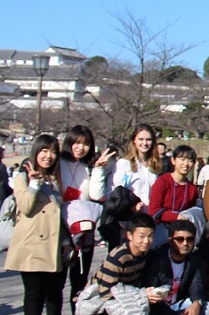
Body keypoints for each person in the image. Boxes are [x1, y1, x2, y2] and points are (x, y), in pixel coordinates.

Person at [6, 133, 70, 315]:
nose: (48, 156)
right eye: (44, 150)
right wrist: (34, 182)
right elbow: (25, 207)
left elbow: (58, 215)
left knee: (55, 295)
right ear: (35, 152)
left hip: (53, 246)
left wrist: (66, 243)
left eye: (53, 152)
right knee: (34, 295)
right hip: (32, 246)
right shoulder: (22, 178)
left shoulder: (54, 180)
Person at [59, 124, 114, 305]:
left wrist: (98, 170)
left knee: (79, 284)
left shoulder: (89, 167)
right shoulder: (58, 163)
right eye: (77, 142)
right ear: (69, 142)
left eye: (85, 144)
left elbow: (96, 196)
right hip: (61, 231)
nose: (80, 147)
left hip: (84, 233)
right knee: (56, 284)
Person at [93, 213, 160, 310]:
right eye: (141, 236)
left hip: (128, 297)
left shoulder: (146, 253)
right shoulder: (119, 257)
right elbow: (105, 294)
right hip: (101, 301)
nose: (146, 241)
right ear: (129, 235)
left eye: (150, 236)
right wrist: (142, 295)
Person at [143, 219, 207, 315]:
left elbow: (196, 285)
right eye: (180, 239)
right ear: (170, 241)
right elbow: (153, 294)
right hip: (157, 308)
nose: (185, 243)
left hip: (178, 304)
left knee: (208, 308)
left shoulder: (193, 259)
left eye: (189, 239)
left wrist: (196, 302)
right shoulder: (156, 258)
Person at [150, 145, 201, 244]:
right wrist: (177, 217)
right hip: (161, 229)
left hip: (180, 235)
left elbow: (190, 211)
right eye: (182, 159)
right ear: (173, 160)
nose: (186, 164)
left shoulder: (192, 189)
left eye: (190, 161)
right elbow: (154, 210)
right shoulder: (162, 181)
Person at [113, 124, 163, 207]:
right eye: (141, 139)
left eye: (148, 140)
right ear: (134, 140)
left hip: (149, 215)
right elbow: (115, 191)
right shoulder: (124, 163)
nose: (145, 143)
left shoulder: (155, 165)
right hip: (129, 214)